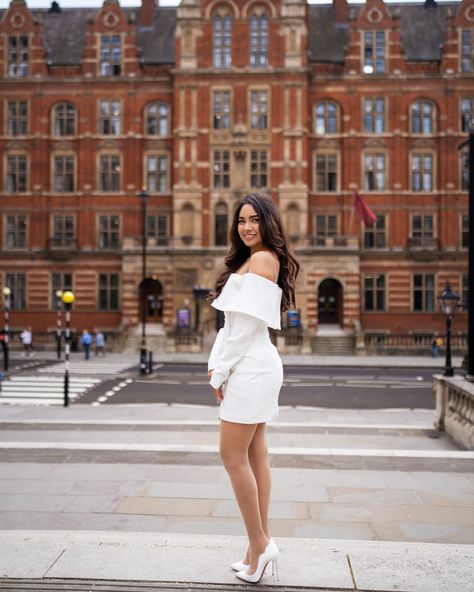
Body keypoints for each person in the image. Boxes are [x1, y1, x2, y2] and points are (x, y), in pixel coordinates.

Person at [207, 192, 299, 584]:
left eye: (254, 220)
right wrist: (218, 363)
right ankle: (254, 549)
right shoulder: (253, 259)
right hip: (255, 362)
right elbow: (234, 326)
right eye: (241, 220)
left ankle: (261, 545)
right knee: (255, 455)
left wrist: (220, 372)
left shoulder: (262, 260)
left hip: (252, 366)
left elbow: (241, 328)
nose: (246, 227)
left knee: (231, 456)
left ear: (268, 222)